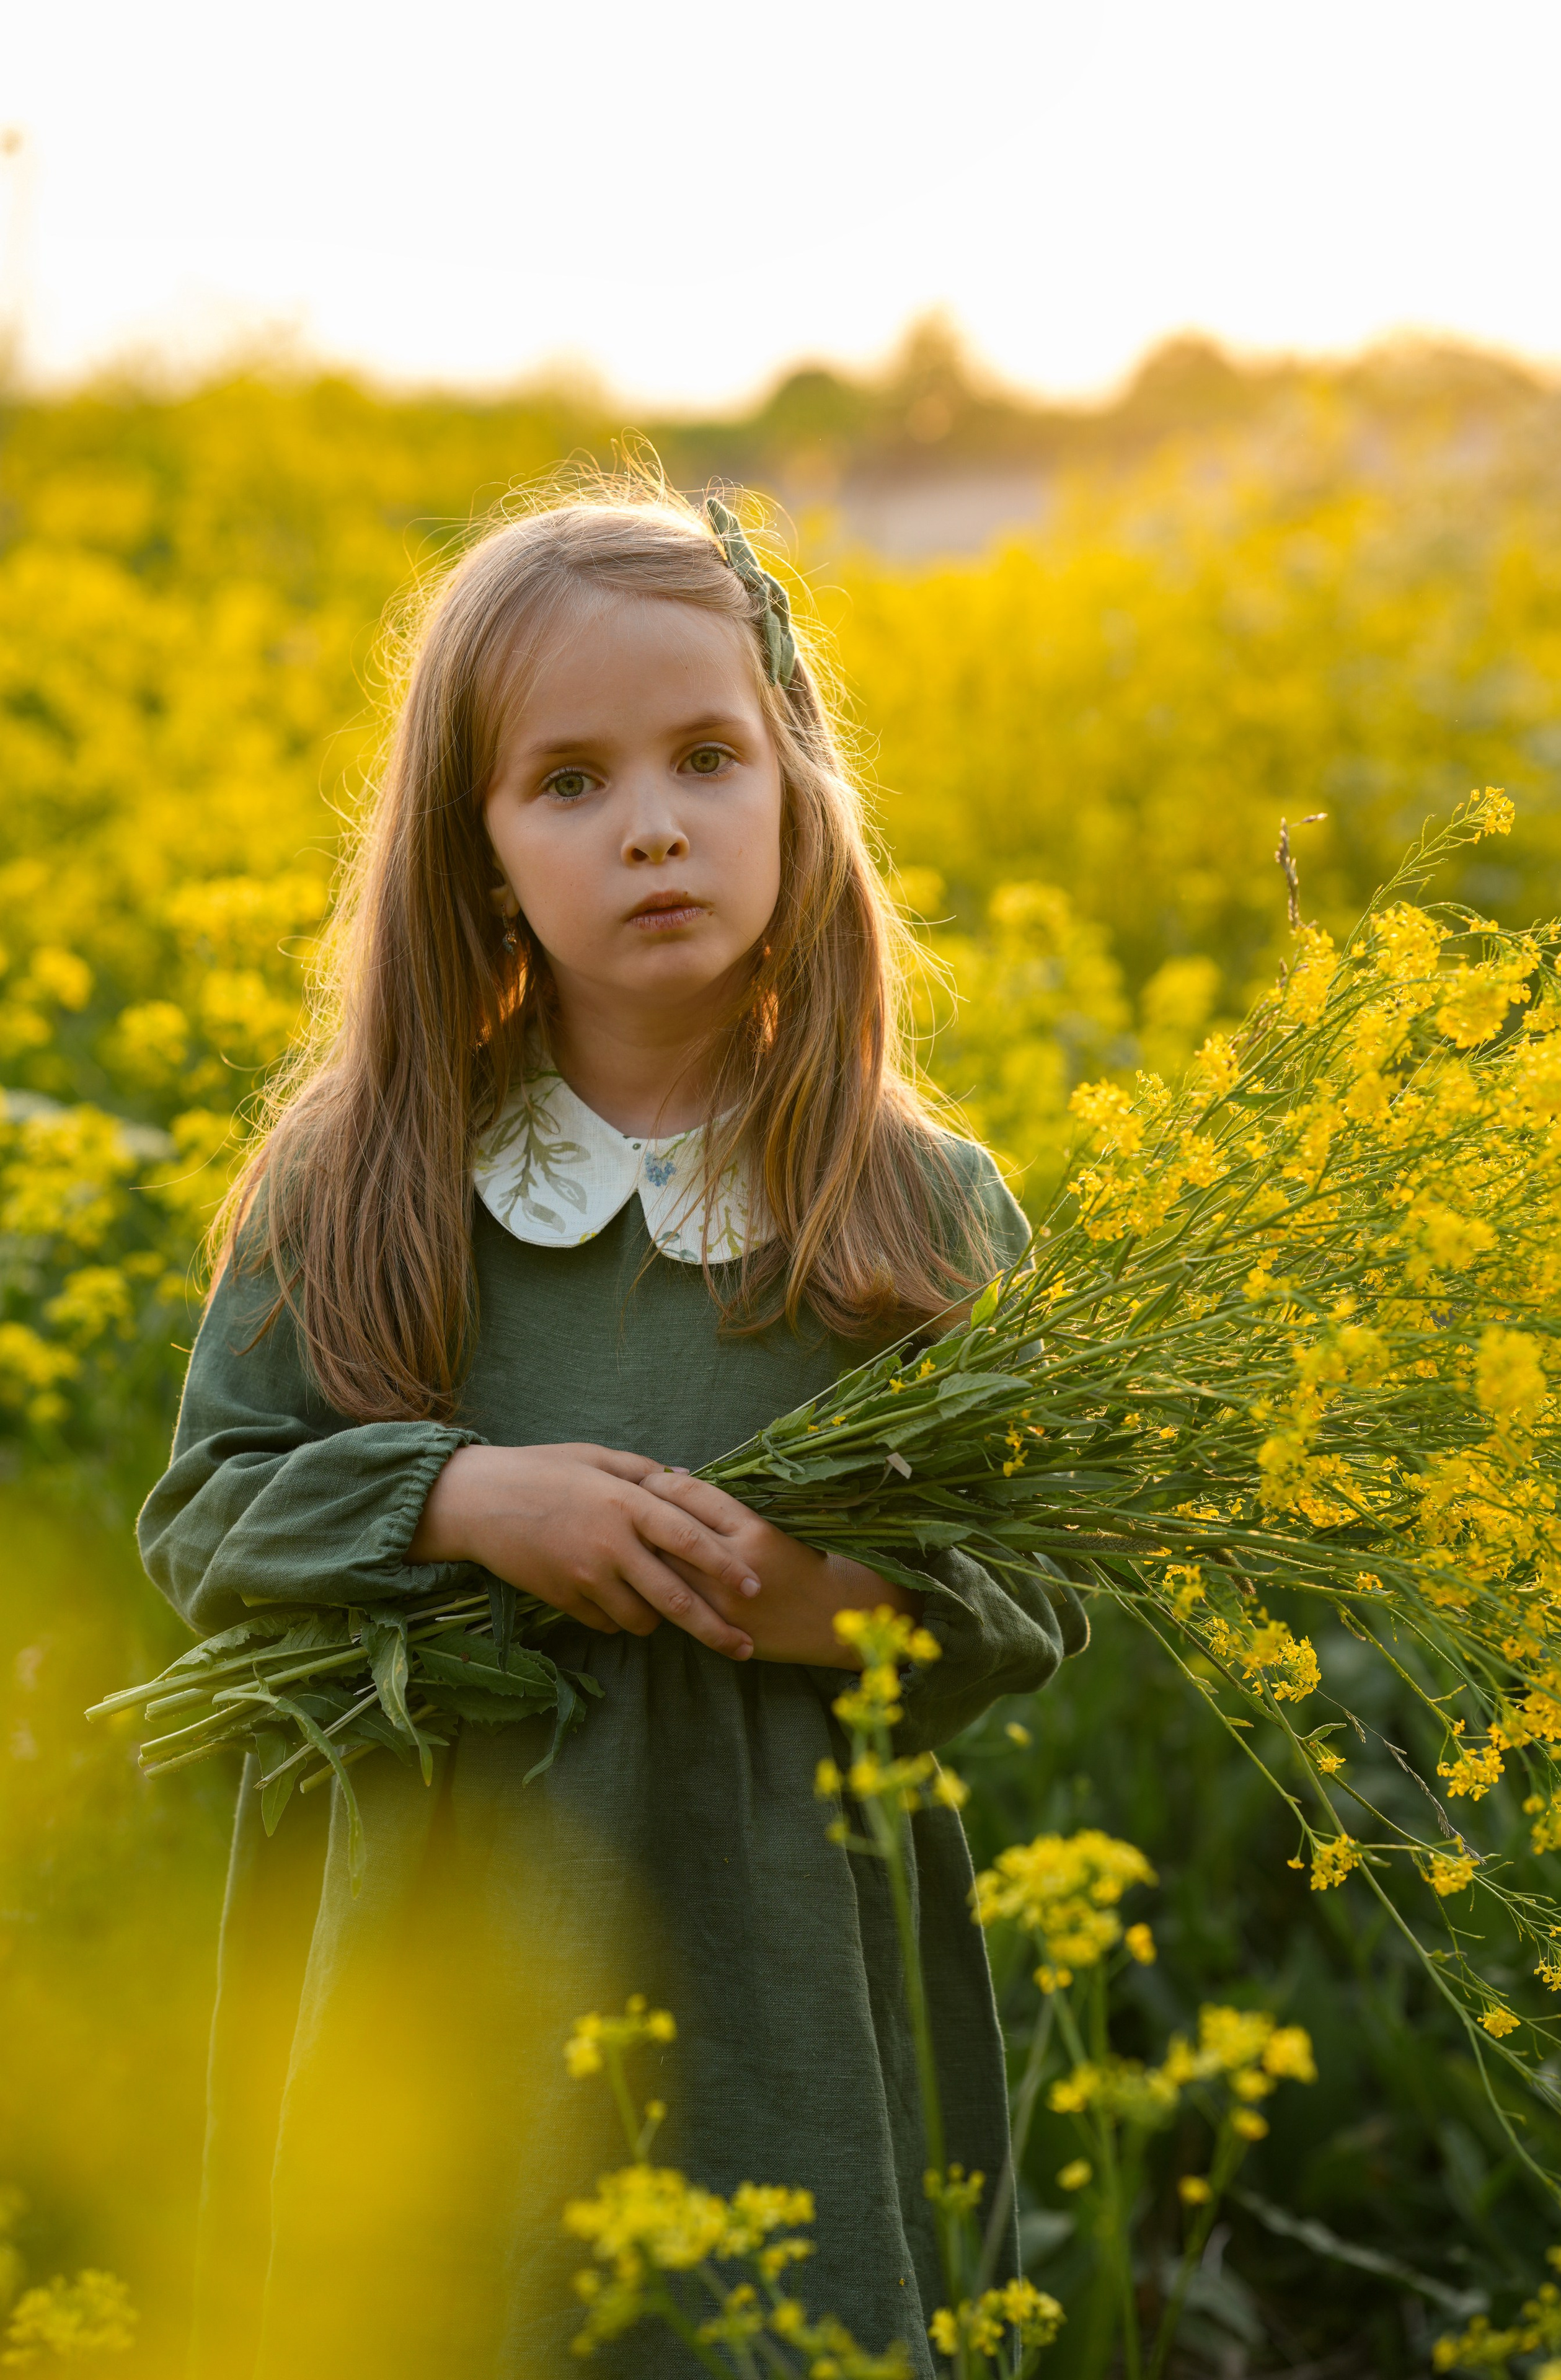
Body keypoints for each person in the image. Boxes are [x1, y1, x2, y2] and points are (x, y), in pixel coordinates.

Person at [138, 482, 1085, 2380]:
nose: (651, 822)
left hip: (783, 1957)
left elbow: (1041, 1589)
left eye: (707, 757)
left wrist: (829, 1603)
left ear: (799, 795)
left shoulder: (916, 1204)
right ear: (479, 857)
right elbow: (205, 1521)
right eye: (566, 782)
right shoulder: (368, 1182)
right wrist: (466, 1500)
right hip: (460, 1935)